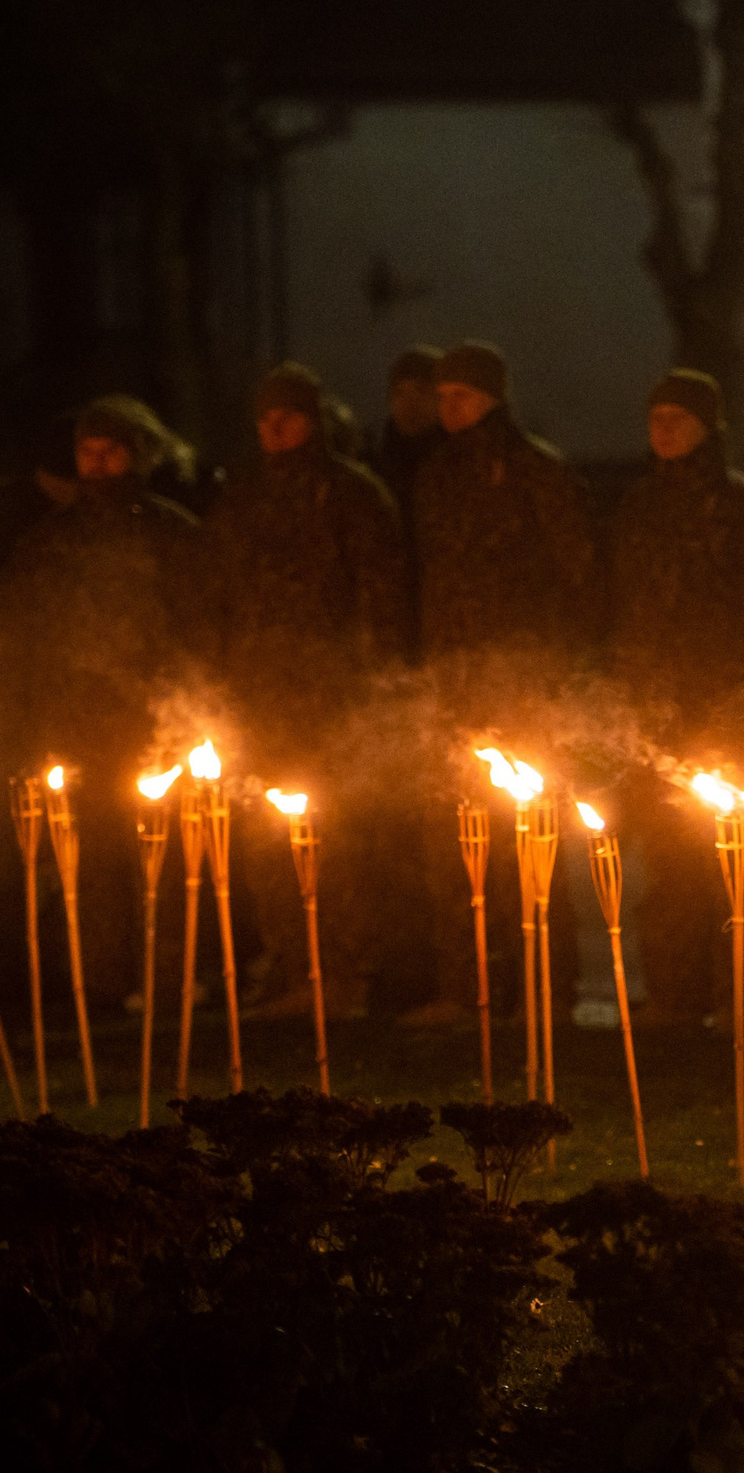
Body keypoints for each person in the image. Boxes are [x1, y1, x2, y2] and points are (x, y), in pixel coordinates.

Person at [202, 363, 406, 1020]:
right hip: (259, 694)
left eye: (288, 416)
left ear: (313, 420)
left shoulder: (352, 494)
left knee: (337, 840)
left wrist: (374, 685)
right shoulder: (244, 500)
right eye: (265, 418)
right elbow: (220, 600)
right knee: (267, 840)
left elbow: (382, 596)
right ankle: (295, 967)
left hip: (332, 696)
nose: (275, 428)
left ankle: (349, 974)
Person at [0, 397, 206, 1013]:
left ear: (137, 455)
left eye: (111, 450)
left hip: (155, 720)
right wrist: (27, 712)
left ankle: (171, 976)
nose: (99, 462)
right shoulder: (48, 544)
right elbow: (20, 631)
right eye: (88, 451)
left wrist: (190, 708)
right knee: (91, 860)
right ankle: (101, 981)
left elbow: (202, 626)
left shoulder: (172, 533)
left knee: (162, 854)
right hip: (76, 719)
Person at [608, 370, 744, 1027]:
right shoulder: (638, 509)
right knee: (667, 860)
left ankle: (739, 994)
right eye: (656, 416)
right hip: (660, 713)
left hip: (726, 710)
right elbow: (626, 608)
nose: (663, 429)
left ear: (709, 426)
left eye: (678, 418)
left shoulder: (740, 507)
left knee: (733, 858)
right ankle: (673, 991)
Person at [412, 340, 596, 712]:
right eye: (442, 395)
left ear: (491, 397)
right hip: (452, 656)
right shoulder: (435, 474)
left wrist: (568, 645)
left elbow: (577, 562)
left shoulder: (535, 468)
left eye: (461, 394)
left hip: (523, 654)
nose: (449, 406)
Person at [370, 345, 444, 521]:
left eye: (421, 391)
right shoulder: (376, 469)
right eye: (399, 393)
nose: (410, 403)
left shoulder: (462, 461)